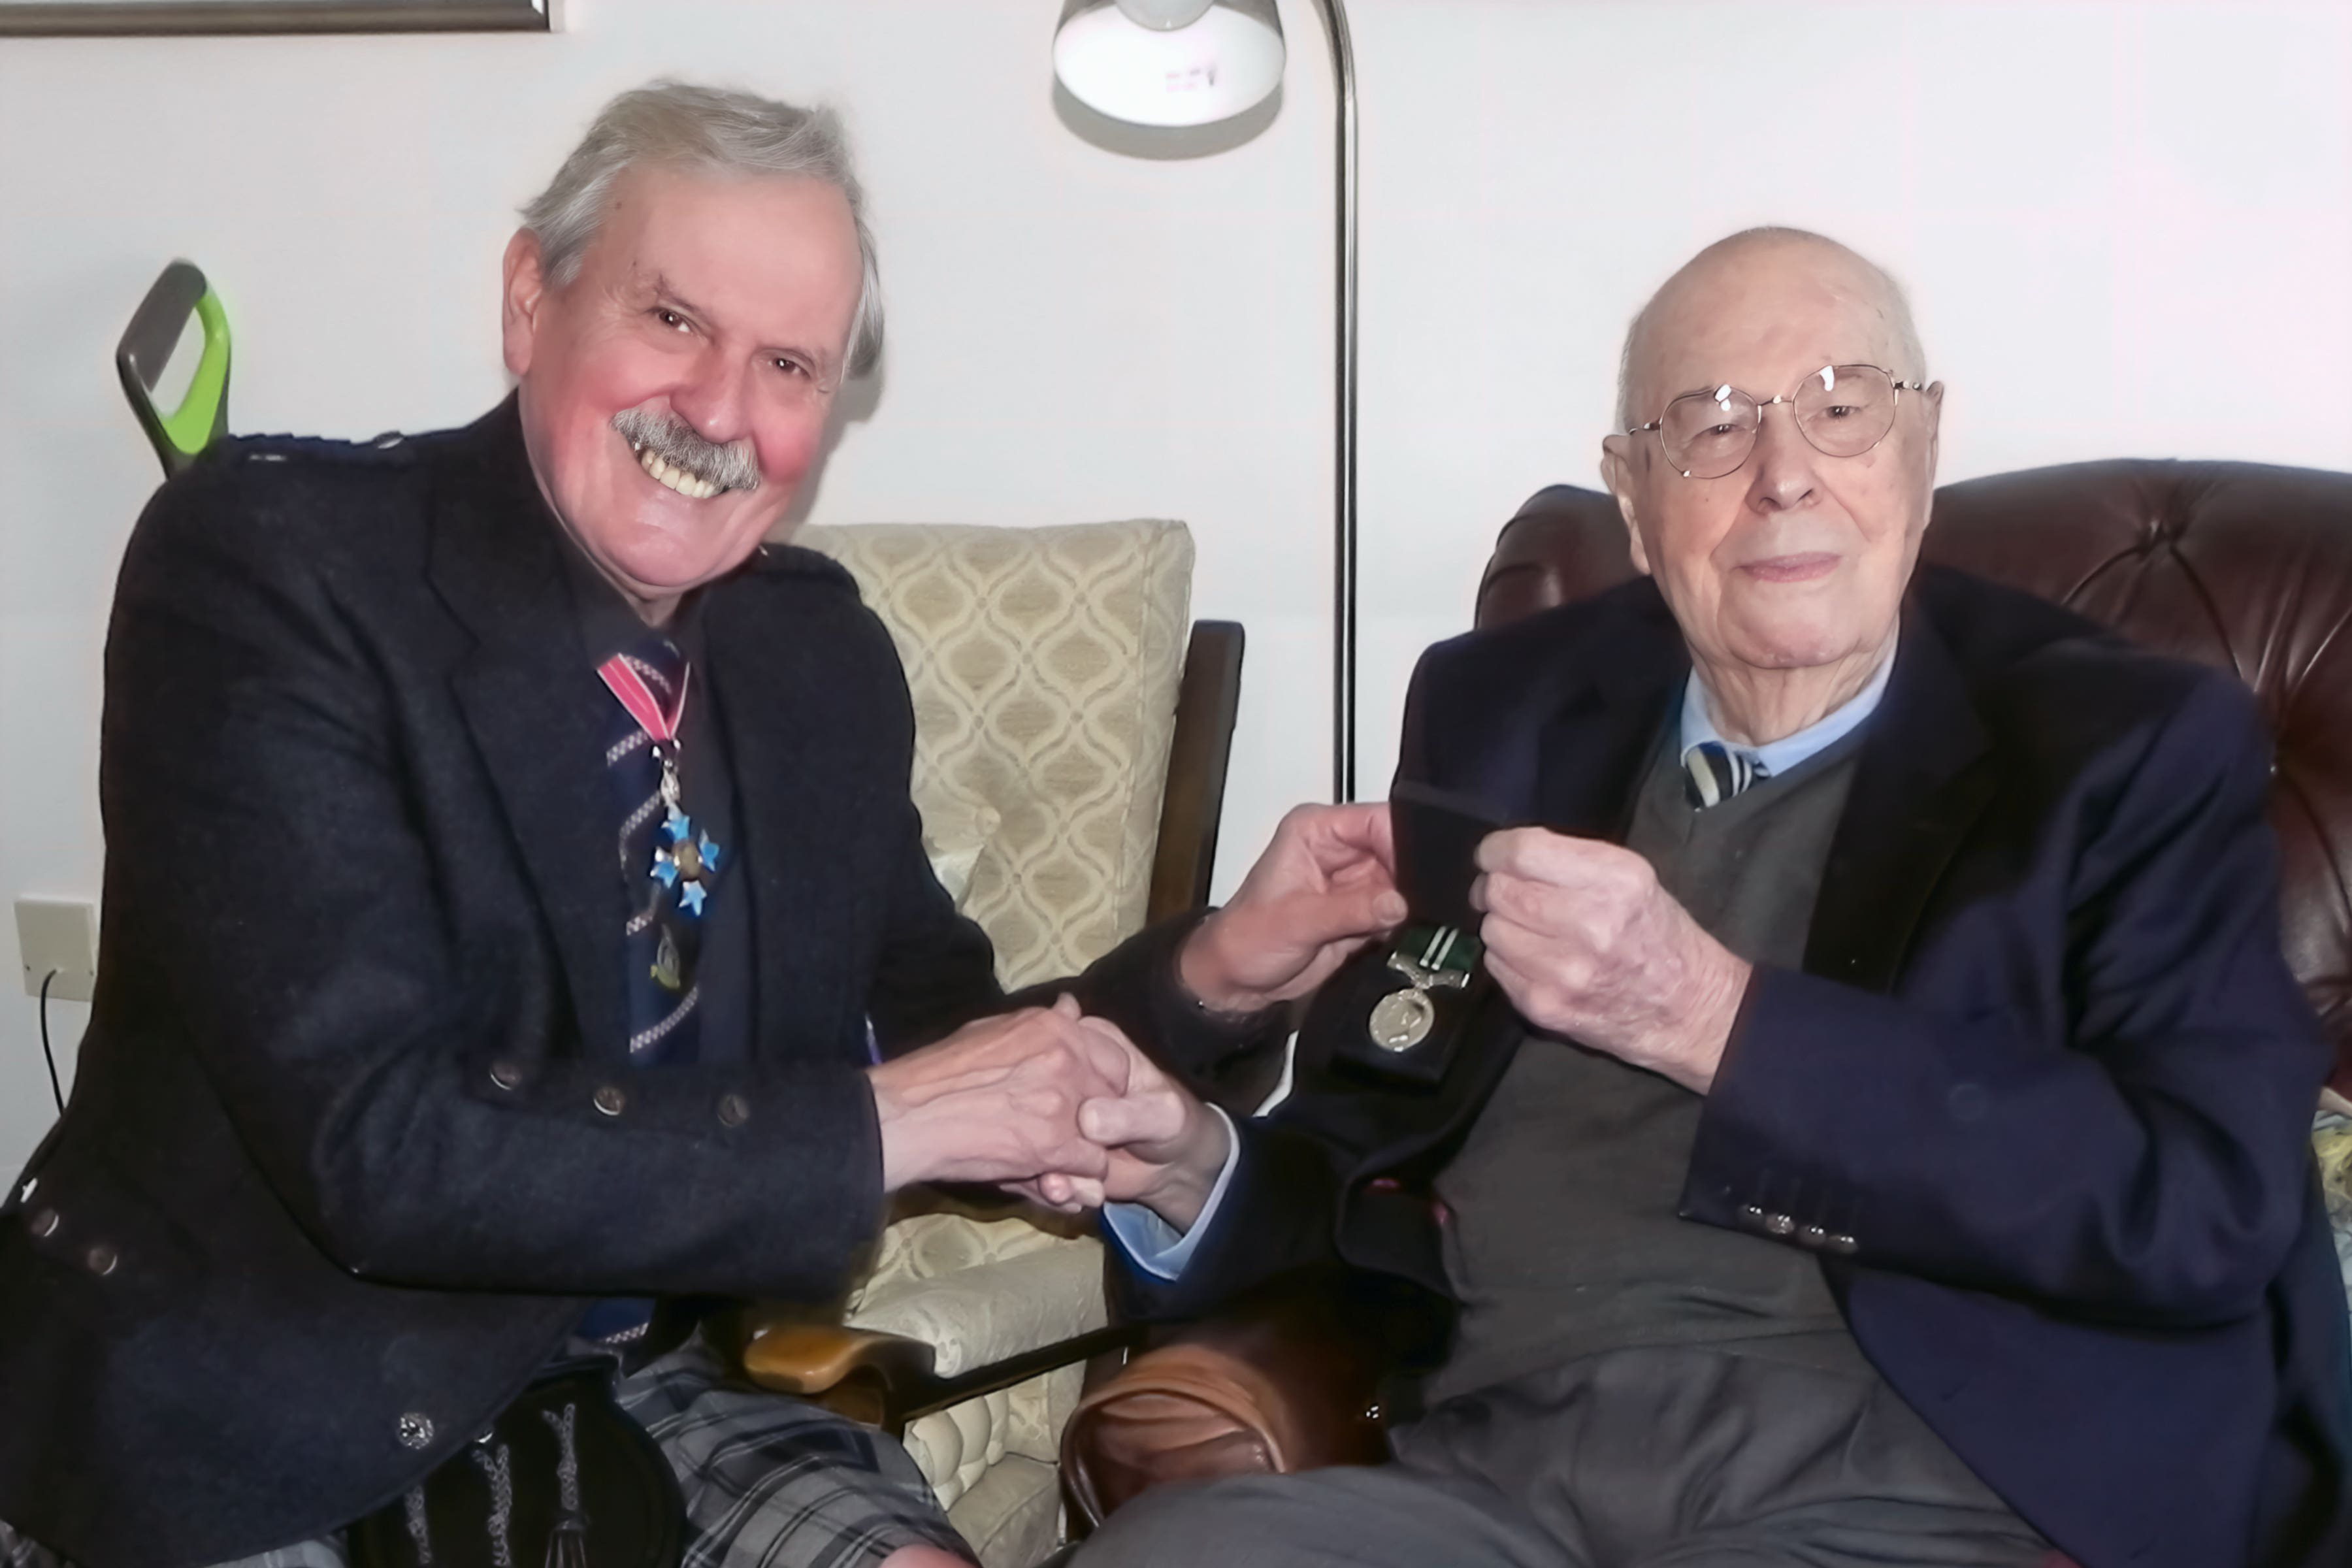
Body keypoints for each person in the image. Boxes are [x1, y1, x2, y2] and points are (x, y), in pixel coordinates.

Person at [0, 81, 1399, 1568]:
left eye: (788, 365)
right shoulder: (278, 570)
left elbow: (951, 1045)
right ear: (531, 300)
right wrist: (887, 1122)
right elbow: (378, 1147)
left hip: (646, 1384)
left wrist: (1218, 976)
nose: (722, 413)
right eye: (674, 322)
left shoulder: (815, 662)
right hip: (258, 1410)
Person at [1067, 228, 2352, 1568]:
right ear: (1631, 491)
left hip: (1922, 1485)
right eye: (1714, 428)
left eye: (1843, 411)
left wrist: (1714, 1017)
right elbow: (1369, 1142)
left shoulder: (2118, 746)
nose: (1785, 478)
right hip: (1497, 1486)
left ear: (1922, 448)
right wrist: (1201, 1176)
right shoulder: (1506, 712)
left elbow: (2204, 1202)